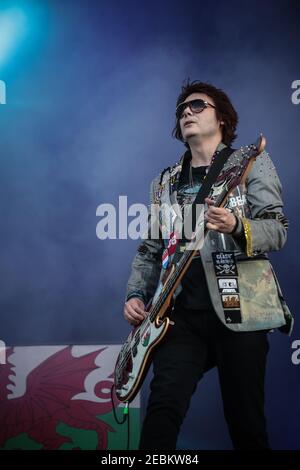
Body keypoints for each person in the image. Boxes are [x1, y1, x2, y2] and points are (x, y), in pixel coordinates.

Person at [123, 80, 292, 450]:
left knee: (246, 425)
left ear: (223, 119)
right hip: (179, 317)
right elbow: (151, 248)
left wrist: (237, 226)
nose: (186, 112)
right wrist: (136, 294)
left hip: (242, 311)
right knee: (160, 418)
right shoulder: (164, 182)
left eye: (197, 105)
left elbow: (277, 230)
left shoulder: (249, 161)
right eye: (182, 109)